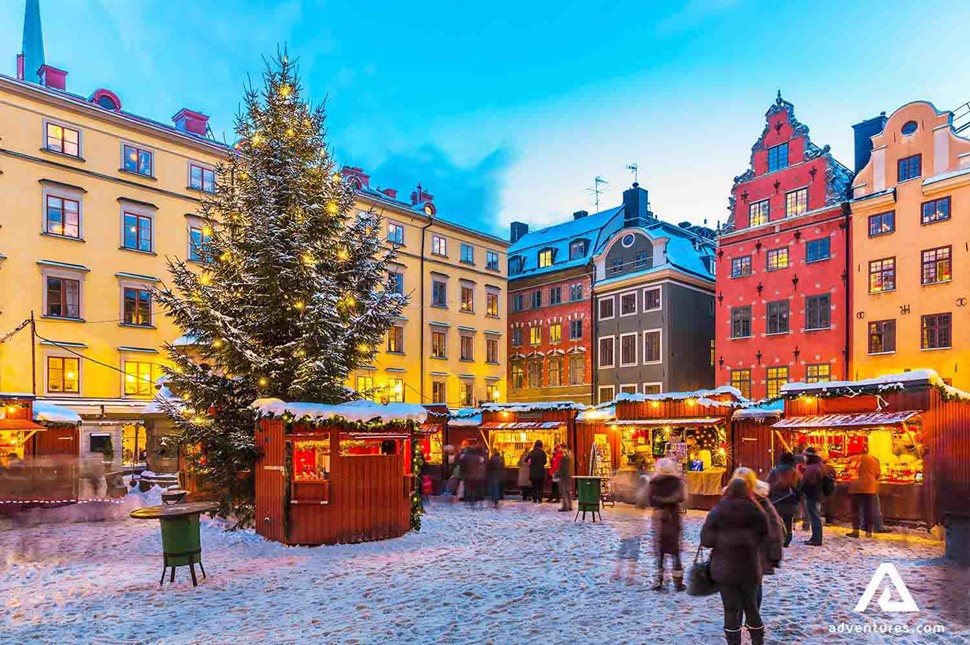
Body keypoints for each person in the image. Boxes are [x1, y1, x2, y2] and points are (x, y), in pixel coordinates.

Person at [701, 477, 769, 645]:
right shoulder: (756, 510)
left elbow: (706, 540)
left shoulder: (718, 510)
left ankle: (733, 642)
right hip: (750, 567)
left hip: (725, 569)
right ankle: (757, 640)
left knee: (731, 609)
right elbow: (765, 536)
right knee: (751, 607)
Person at [649, 458, 687, 591]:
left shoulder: (654, 481)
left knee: (660, 550)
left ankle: (659, 580)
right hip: (673, 517)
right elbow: (682, 497)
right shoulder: (677, 481)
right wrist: (671, 501)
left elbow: (651, 500)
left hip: (659, 517)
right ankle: (678, 582)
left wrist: (661, 501)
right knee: (675, 550)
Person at [767, 451, 801, 547]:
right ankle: (787, 539)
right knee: (788, 521)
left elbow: (768, 484)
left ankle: (776, 538)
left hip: (776, 500)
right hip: (790, 499)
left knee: (775, 520)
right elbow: (798, 486)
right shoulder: (794, 471)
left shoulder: (775, 470)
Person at [847, 446, 881, 538]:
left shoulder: (853, 459)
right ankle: (868, 531)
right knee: (869, 510)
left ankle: (855, 531)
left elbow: (849, 472)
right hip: (870, 488)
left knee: (855, 511)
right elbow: (877, 473)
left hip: (855, 487)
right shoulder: (873, 460)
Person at [800, 447, 829, 546]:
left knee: (814, 517)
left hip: (812, 495)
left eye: (805, 456)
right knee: (816, 517)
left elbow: (808, 482)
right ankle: (815, 537)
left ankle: (816, 539)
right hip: (819, 494)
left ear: (809, 457)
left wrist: (801, 489)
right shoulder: (821, 465)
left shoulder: (811, 468)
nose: (803, 458)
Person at [557, 446, 573, 512]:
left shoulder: (565, 458)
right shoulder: (570, 458)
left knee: (564, 492)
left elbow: (562, 468)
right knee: (568, 491)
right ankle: (569, 506)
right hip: (568, 476)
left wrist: (557, 474)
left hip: (563, 477)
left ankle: (565, 506)